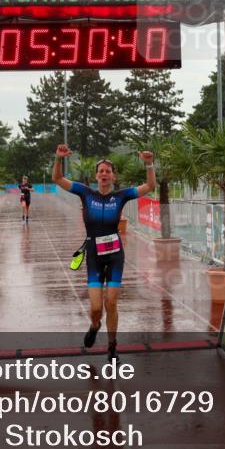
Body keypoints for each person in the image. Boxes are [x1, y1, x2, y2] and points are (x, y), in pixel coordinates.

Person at [52, 144, 155, 361]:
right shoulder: (84, 192)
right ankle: (94, 324)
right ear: (96, 176)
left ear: (113, 177)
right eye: (101, 171)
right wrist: (59, 159)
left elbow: (150, 186)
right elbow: (58, 180)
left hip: (115, 254)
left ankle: (112, 345)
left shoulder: (121, 196)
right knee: (97, 307)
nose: (104, 174)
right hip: (94, 256)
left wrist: (149, 164)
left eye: (108, 171)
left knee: (112, 302)